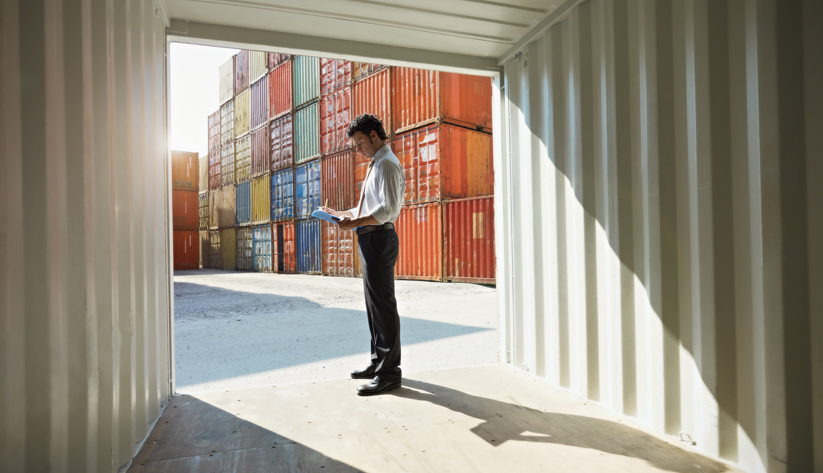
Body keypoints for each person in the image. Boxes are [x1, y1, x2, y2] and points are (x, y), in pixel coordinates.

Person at [319, 114, 405, 395]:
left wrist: (354, 223)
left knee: (383, 307)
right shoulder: (375, 164)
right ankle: (378, 362)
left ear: (374, 135)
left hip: (380, 240)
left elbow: (387, 210)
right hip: (370, 240)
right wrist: (340, 214)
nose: (358, 150)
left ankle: (390, 373)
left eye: (359, 144)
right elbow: (366, 210)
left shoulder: (388, 164)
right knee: (373, 307)